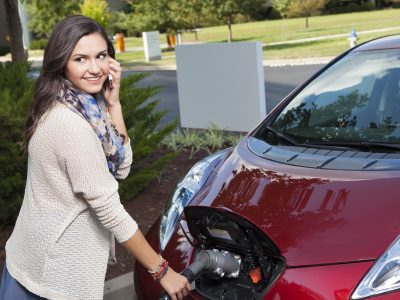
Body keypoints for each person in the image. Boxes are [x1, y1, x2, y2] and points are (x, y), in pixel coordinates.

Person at [0, 15, 191, 300]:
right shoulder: (70, 124)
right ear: (61, 61)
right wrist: (162, 271)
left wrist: (114, 103)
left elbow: (122, 166)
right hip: (52, 277)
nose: (94, 69)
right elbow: (110, 210)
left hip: (35, 260)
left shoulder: (82, 106)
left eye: (101, 56)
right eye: (80, 59)